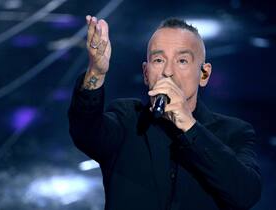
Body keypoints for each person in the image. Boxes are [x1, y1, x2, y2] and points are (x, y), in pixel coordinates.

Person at [68, 15, 261, 210]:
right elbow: (85, 131)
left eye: (182, 61)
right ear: (146, 73)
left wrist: (189, 126)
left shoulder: (234, 132)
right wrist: (96, 72)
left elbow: (245, 194)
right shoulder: (127, 119)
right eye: (159, 60)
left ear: (204, 74)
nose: (168, 71)